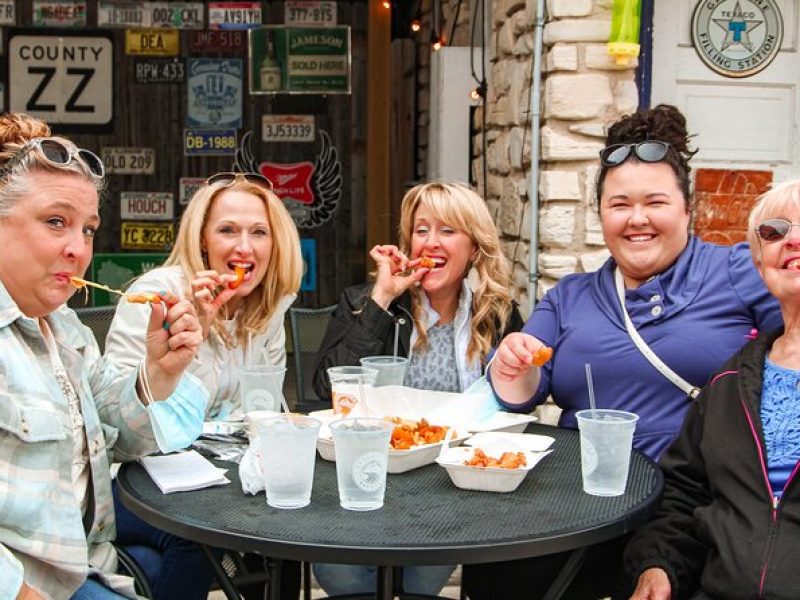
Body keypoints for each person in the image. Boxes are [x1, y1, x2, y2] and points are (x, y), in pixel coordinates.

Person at [462, 104, 784, 599]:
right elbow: (518, 393)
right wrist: (512, 363)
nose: (637, 220)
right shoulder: (570, 296)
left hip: (689, 512)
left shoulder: (738, 272)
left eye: (655, 202)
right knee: (497, 570)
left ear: (686, 208)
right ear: (600, 215)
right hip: (583, 505)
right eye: (619, 205)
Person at [0, 112, 207, 600]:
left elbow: (121, 439)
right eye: (56, 223)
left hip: (91, 563)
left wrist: (156, 375)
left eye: (88, 229)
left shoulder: (66, 327)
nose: (79, 249)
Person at [312, 181, 524, 596]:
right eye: (421, 229)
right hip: (368, 477)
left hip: (450, 492)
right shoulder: (365, 301)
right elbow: (326, 386)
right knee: (343, 577)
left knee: (418, 586)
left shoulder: (497, 315)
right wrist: (382, 299)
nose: (431, 241)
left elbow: (514, 404)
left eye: (448, 230)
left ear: (474, 247)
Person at [104, 172, 304, 599]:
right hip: (134, 482)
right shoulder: (157, 297)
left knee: (293, 516)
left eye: (258, 233)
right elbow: (120, 429)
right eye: (227, 230)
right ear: (202, 241)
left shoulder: (267, 308)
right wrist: (197, 335)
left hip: (220, 479)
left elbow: (262, 410)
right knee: (199, 537)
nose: (244, 247)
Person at [625, 178, 800, 600]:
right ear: (760, 263)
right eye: (775, 231)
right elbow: (685, 495)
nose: (792, 240)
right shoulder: (728, 384)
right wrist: (658, 568)